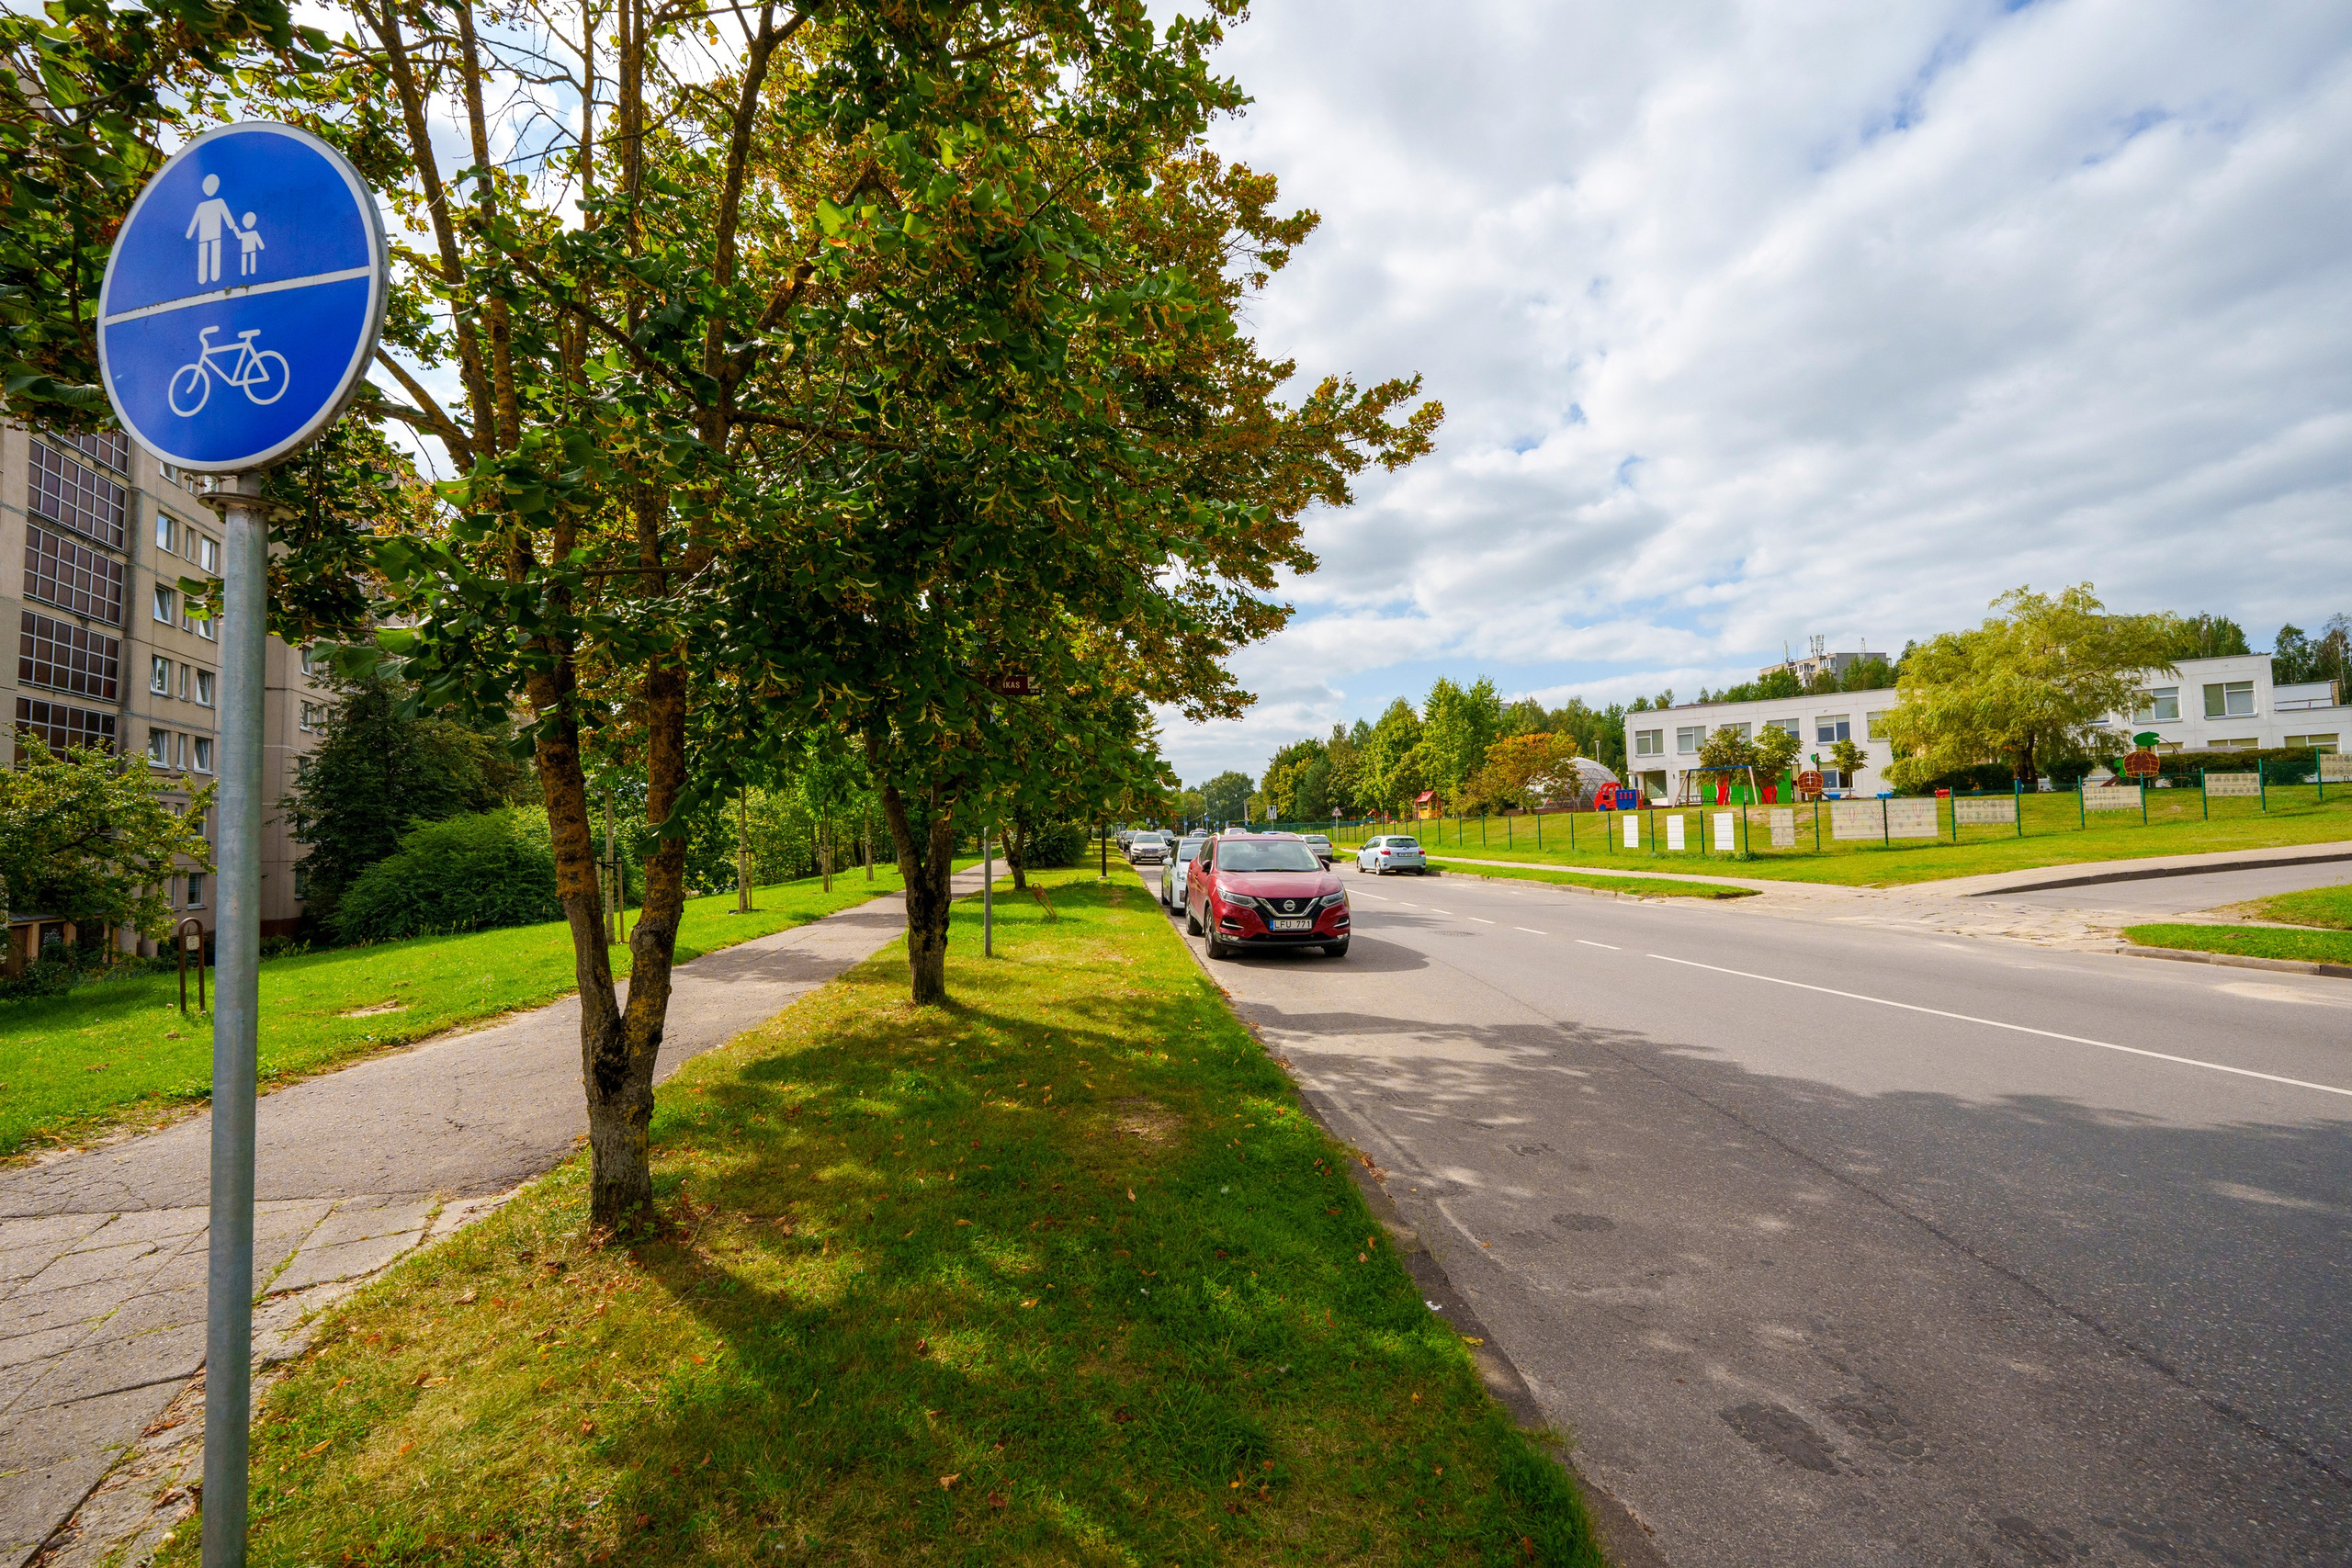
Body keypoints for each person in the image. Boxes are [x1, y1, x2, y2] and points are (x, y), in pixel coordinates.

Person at [185, 174, 237, 285]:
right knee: (204, 254)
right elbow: (195, 220)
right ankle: (203, 278)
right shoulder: (202, 206)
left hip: (215, 234)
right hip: (205, 236)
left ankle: (214, 276)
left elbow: (227, 216)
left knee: (215, 253)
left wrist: (231, 225)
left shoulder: (219, 203)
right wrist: (189, 234)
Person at [237, 211, 265, 276]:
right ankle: (244, 272)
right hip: (245, 250)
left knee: (252, 259)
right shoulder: (245, 234)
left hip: (251, 249)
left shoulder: (254, 233)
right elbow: (239, 236)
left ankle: (252, 271)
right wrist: (236, 230)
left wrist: (261, 246)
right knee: (245, 259)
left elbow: (258, 240)